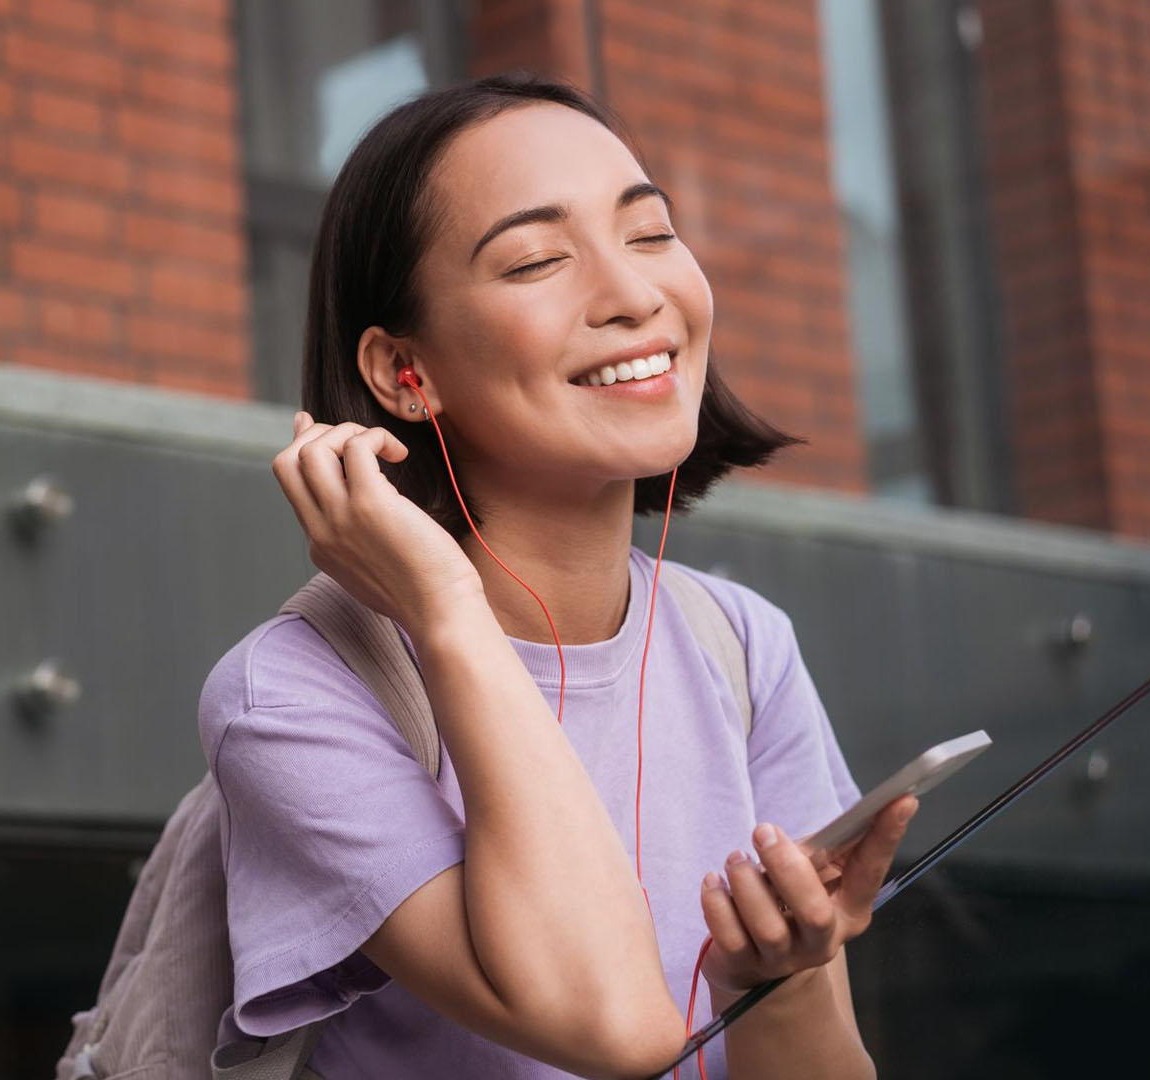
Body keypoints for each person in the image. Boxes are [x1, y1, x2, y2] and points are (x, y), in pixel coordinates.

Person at [197, 73, 919, 1079]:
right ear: (406, 373)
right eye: (538, 259)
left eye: (652, 233)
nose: (633, 296)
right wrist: (444, 608)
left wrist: (774, 980)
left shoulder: (741, 644)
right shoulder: (291, 694)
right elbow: (615, 1031)